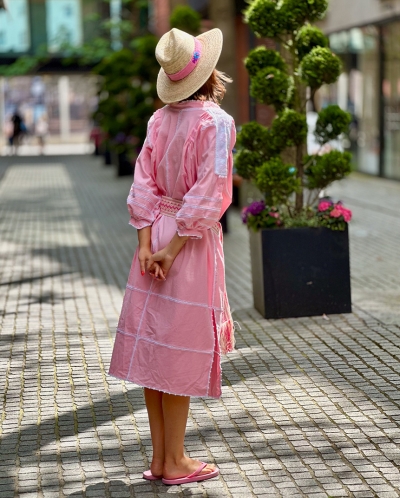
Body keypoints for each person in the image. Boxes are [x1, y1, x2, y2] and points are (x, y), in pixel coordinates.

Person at [108, 27, 236, 486]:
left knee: (155, 346)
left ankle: (162, 457)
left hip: (156, 233)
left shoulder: (158, 120)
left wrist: (146, 245)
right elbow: (213, 191)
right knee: (177, 350)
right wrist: (172, 247)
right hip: (187, 241)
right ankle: (175, 460)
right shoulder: (217, 122)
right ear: (209, 72)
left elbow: (142, 182)